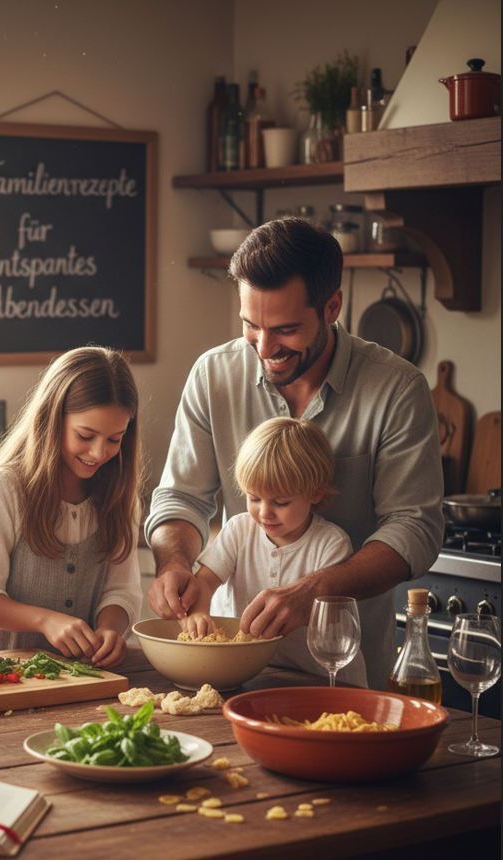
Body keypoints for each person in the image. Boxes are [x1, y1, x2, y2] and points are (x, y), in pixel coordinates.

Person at [145, 217, 443, 690]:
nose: (264, 348)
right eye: (250, 325)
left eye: (285, 329)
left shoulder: (397, 389)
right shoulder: (213, 375)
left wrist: (316, 591)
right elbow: (181, 498)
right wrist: (175, 565)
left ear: (332, 307)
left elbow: (415, 528)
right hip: (237, 671)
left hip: (345, 673)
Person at [0, 347, 146, 669]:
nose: (99, 453)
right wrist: (45, 620)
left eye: (115, 439)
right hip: (6, 675)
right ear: (51, 418)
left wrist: (110, 630)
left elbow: (122, 591)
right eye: (85, 435)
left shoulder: (120, 497)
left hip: (86, 677)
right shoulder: (5, 488)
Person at [181, 417, 366, 687]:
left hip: (318, 680)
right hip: (250, 675)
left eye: (281, 502)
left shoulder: (331, 544)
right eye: (254, 498)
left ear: (315, 493)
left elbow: (332, 619)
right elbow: (206, 581)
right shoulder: (239, 530)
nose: (264, 512)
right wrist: (199, 613)